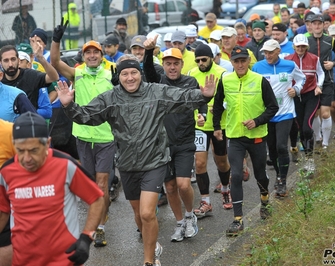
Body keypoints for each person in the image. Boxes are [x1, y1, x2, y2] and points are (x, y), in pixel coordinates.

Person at [56, 53, 217, 266]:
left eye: (133, 73)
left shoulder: (155, 92)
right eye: (124, 74)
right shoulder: (110, 98)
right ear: (119, 76)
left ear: (140, 74)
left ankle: (149, 261)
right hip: (127, 164)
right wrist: (69, 106)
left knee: (148, 212)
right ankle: (153, 245)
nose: (130, 78)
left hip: (154, 162)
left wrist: (203, 96)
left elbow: (181, 97)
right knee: (139, 216)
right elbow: (88, 116)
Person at [0, 112, 105, 266]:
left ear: (47, 143)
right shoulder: (7, 171)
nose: (27, 158)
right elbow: (3, 211)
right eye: (20, 151)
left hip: (64, 260)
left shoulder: (65, 165)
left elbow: (96, 198)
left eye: (34, 150)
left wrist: (87, 237)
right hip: (23, 260)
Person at [50, 19, 115, 248]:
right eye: (87, 53)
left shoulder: (111, 73)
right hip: (83, 137)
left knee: (102, 183)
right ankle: (99, 218)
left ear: (101, 54)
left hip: (107, 137)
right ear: (84, 56)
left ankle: (100, 227)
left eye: (95, 52)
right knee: (92, 186)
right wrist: (56, 39)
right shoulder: (77, 73)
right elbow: (56, 61)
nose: (91, 56)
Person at [213, 46, 279, 236]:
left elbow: (273, 107)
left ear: (248, 61)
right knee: (236, 174)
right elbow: (218, 105)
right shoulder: (225, 80)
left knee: (260, 175)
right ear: (231, 62)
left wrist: (256, 121)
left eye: (243, 60)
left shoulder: (259, 81)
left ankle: (265, 199)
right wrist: (217, 127)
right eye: (236, 61)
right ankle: (238, 219)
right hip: (234, 136)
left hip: (257, 135)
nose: (240, 64)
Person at [143, 37, 202, 242]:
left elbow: (199, 99)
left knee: (184, 184)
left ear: (181, 64)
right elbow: (148, 71)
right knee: (169, 187)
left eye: (175, 63)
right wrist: (149, 51)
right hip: (163, 144)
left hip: (185, 141)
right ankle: (179, 223)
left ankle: (189, 215)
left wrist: (202, 114)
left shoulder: (190, 82)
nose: (172, 67)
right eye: (168, 63)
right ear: (164, 65)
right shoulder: (158, 82)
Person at [252, 39, 306, 196]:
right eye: (265, 53)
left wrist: (296, 89)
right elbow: (253, 86)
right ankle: (278, 174)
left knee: (282, 146)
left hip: (286, 112)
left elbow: (301, 78)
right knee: (273, 149)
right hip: (267, 114)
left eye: (270, 52)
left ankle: (283, 180)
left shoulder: (289, 65)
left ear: (278, 52)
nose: (267, 55)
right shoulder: (258, 67)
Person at [186, 44, 232, 218]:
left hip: (220, 124)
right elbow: (189, 98)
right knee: (199, 163)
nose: (200, 63)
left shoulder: (223, 73)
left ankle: (226, 188)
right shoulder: (191, 74)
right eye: (197, 60)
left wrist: (220, 107)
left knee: (221, 162)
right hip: (199, 125)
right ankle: (206, 201)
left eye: (203, 59)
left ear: (211, 58)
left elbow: (232, 97)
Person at [285, 34, 324, 172]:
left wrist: (319, 85)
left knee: (307, 127)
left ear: (307, 46)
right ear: (294, 46)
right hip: (295, 96)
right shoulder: (288, 59)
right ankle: (306, 157)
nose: (300, 48)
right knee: (301, 128)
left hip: (310, 95)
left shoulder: (314, 58)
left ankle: (310, 160)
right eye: (298, 46)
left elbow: (321, 72)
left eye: (303, 46)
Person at [307, 14, 335, 150]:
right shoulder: (306, 41)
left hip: (327, 80)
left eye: (319, 23)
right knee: (315, 113)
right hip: (311, 82)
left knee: (325, 113)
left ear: (323, 25)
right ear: (311, 25)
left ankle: (325, 144)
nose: (316, 26)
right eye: (314, 23)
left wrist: (333, 63)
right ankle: (318, 137)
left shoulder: (330, 40)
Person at [0, 43, 58, 110]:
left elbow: (54, 77)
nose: (10, 64)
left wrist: (41, 58)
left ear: (18, 61)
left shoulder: (30, 75)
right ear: (1, 63)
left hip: (29, 119)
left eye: (13, 59)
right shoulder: (1, 79)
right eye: (6, 60)